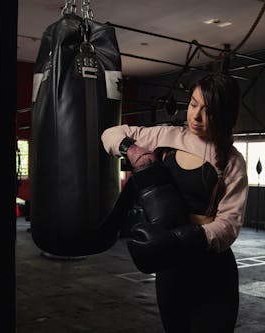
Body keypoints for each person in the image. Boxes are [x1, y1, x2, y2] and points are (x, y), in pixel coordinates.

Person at [101, 72, 248, 333]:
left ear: (223, 114)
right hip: (171, 268)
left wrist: (181, 239)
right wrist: (132, 150)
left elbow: (229, 225)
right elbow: (111, 133)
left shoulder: (232, 161)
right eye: (193, 104)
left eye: (208, 110)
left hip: (211, 268)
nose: (196, 116)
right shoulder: (167, 136)